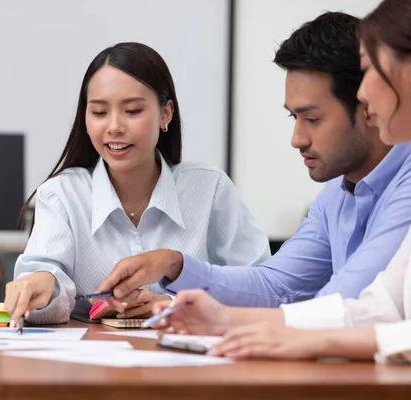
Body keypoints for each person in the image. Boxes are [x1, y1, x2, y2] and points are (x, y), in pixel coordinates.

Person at [96, 12, 411, 314]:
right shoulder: (336, 194)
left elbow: (342, 308)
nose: (297, 138)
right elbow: (274, 285)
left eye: (312, 119)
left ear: (368, 106)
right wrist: (175, 264)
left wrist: (224, 318)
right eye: (294, 117)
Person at [3, 42, 270, 325]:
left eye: (132, 110)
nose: (114, 126)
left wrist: (170, 303)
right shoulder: (61, 195)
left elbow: (261, 286)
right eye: (99, 112)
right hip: (94, 362)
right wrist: (44, 283)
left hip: (191, 360)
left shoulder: (210, 188)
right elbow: (48, 288)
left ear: (166, 114)